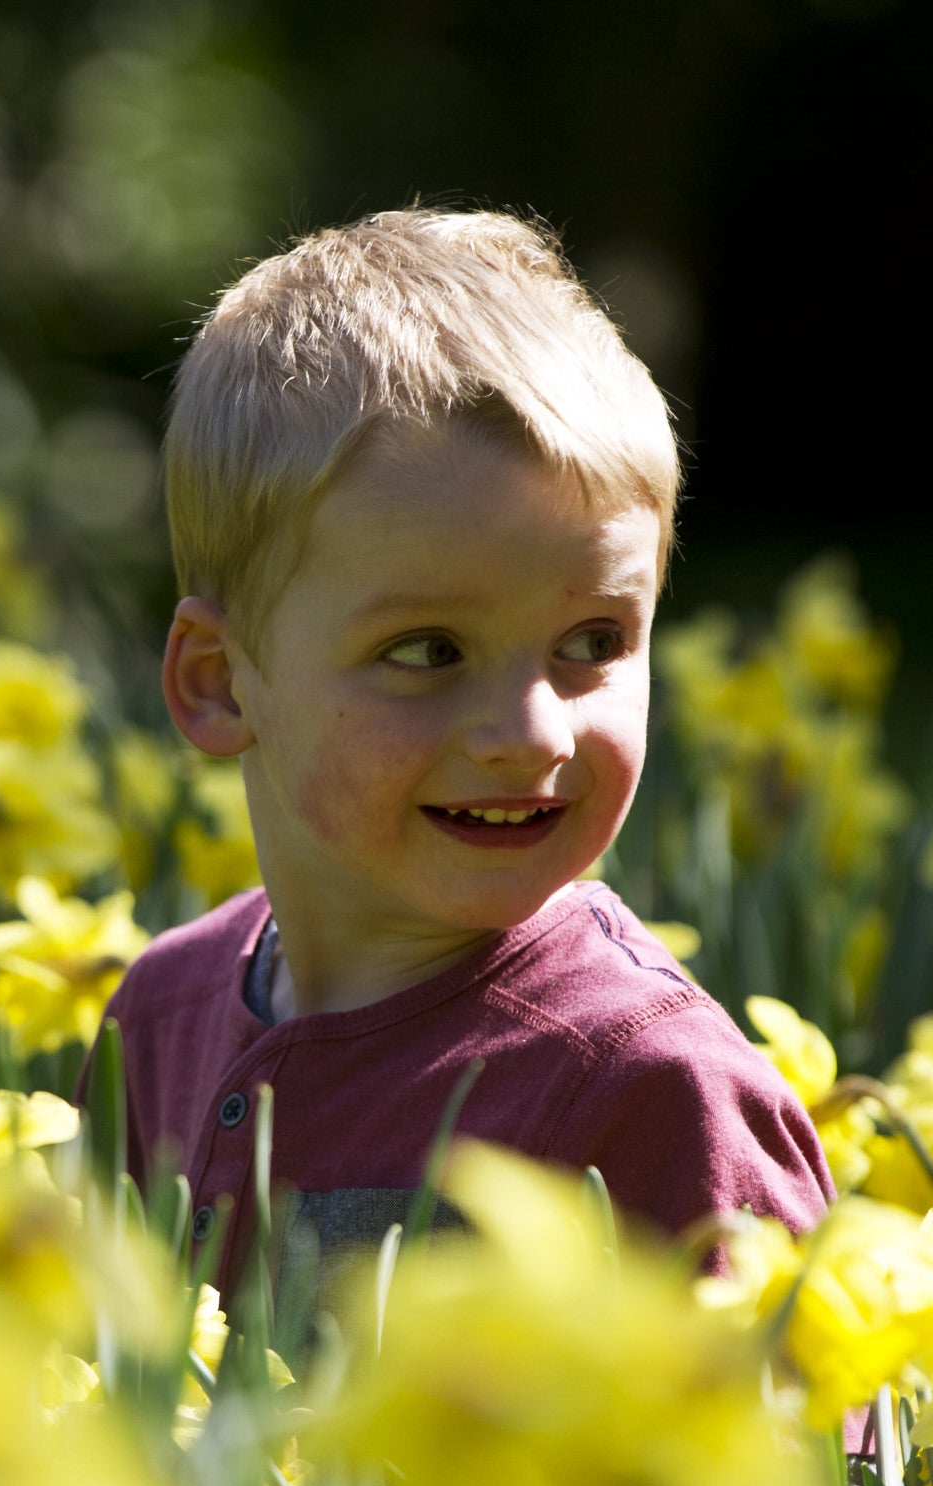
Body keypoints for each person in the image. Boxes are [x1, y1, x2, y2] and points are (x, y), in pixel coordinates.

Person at [100, 207, 834, 1304]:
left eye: (592, 642)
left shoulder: (649, 1086)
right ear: (217, 679)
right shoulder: (161, 1017)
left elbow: (794, 1472)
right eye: (428, 650)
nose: (533, 732)